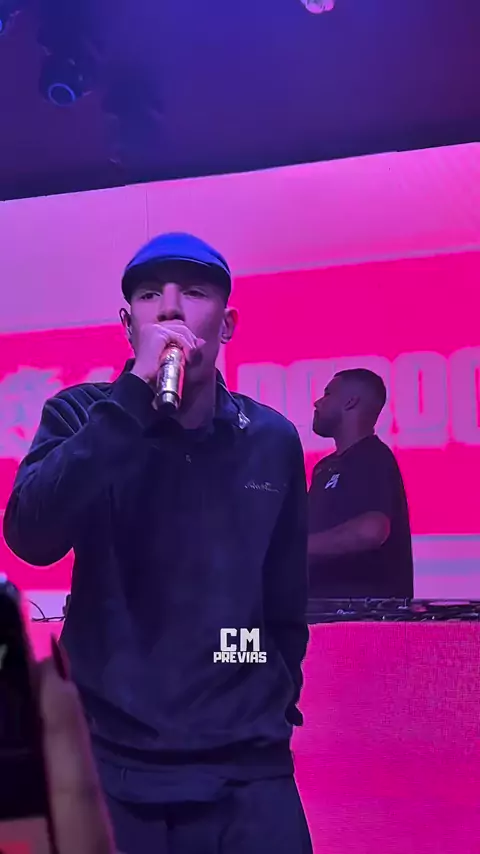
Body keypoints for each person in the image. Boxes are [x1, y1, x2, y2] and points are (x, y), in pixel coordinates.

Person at [3, 233, 312, 854]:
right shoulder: (81, 416)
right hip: (112, 759)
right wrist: (130, 401)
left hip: (245, 766)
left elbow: (281, 607)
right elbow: (31, 536)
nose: (170, 309)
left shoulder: (270, 439)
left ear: (227, 324)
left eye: (193, 292)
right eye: (149, 296)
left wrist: (252, 684)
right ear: (129, 327)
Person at [308, 368, 414, 599]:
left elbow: (371, 531)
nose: (317, 402)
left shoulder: (374, 456)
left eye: (328, 394)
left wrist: (294, 549)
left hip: (362, 617)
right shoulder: (324, 468)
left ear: (351, 402)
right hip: (322, 612)